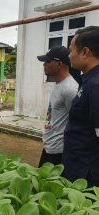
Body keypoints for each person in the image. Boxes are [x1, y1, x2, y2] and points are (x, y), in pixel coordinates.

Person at [62, 26, 99, 187]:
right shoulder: (88, 80)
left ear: (85, 52)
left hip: (86, 172)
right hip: (77, 165)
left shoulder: (96, 85)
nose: (69, 55)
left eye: (71, 50)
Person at [36, 46, 78, 167]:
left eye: (48, 61)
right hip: (50, 146)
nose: (44, 64)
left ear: (59, 64)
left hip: (59, 151)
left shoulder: (70, 89)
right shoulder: (59, 84)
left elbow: (76, 122)